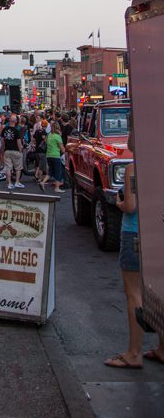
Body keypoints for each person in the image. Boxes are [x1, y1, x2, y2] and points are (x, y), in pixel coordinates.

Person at [105, 134, 164, 369]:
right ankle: (162, 348)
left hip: (135, 233)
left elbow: (130, 206)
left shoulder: (133, 169)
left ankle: (134, 352)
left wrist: (118, 202)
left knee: (134, 293)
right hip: (157, 231)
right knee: (159, 291)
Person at [1, 113, 25, 190]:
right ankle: (17, 182)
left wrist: (2, 150)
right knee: (18, 168)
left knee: (8, 168)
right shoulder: (16, 131)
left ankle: (9, 183)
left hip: (7, 151)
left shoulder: (4, 129)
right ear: (16, 122)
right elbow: (19, 143)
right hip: (15, 151)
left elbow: (3, 142)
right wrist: (20, 151)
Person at [43, 119, 65, 193]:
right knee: (58, 172)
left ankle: (43, 182)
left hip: (48, 155)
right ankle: (57, 188)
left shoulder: (49, 135)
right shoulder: (57, 136)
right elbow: (62, 149)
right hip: (56, 155)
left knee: (51, 171)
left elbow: (45, 141)